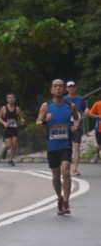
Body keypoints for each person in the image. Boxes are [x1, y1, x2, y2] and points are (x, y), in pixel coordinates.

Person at [36, 79, 80, 215]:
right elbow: (37, 124)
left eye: (61, 86)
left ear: (64, 89)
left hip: (65, 144)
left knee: (66, 172)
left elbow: (76, 118)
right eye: (55, 86)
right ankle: (60, 199)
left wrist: (75, 127)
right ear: (51, 90)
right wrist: (44, 121)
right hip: (52, 146)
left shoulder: (70, 105)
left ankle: (66, 202)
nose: (58, 88)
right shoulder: (46, 106)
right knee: (56, 176)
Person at [64, 80, 89, 175]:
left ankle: (75, 168)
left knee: (77, 147)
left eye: (73, 86)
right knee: (67, 147)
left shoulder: (81, 99)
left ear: (75, 88)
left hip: (77, 126)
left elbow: (84, 110)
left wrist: (87, 110)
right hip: (66, 126)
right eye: (69, 87)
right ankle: (66, 166)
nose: (71, 88)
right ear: (66, 89)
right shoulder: (64, 99)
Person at [0, 93, 26, 166]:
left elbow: (20, 117)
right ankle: (5, 150)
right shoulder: (3, 108)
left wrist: (22, 120)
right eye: (9, 98)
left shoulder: (17, 109)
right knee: (9, 145)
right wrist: (3, 123)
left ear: (15, 99)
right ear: (7, 99)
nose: (11, 99)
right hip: (7, 129)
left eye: (12, 98)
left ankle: (11, 159)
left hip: (14, 128)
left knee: (14, 144)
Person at [89, 97, 101, 164]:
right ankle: (97, 153)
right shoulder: (97, 104)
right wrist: (98, 116)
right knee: (99, 145)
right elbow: (90, 114)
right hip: (99, 129)